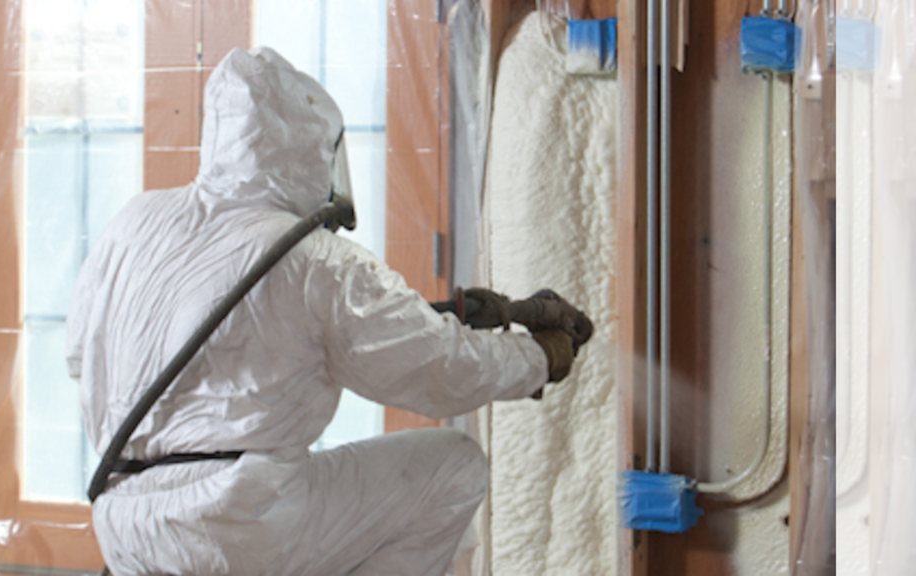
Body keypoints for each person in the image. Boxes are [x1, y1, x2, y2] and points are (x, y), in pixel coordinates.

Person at [66, 46, 591, 576]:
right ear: (311, 149)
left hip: (125, 531)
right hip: (236, 530)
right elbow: (437, 369)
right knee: (453, 467)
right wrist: (538, 358)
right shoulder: (312, 260)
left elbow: (79, 359)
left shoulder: (133, 225)